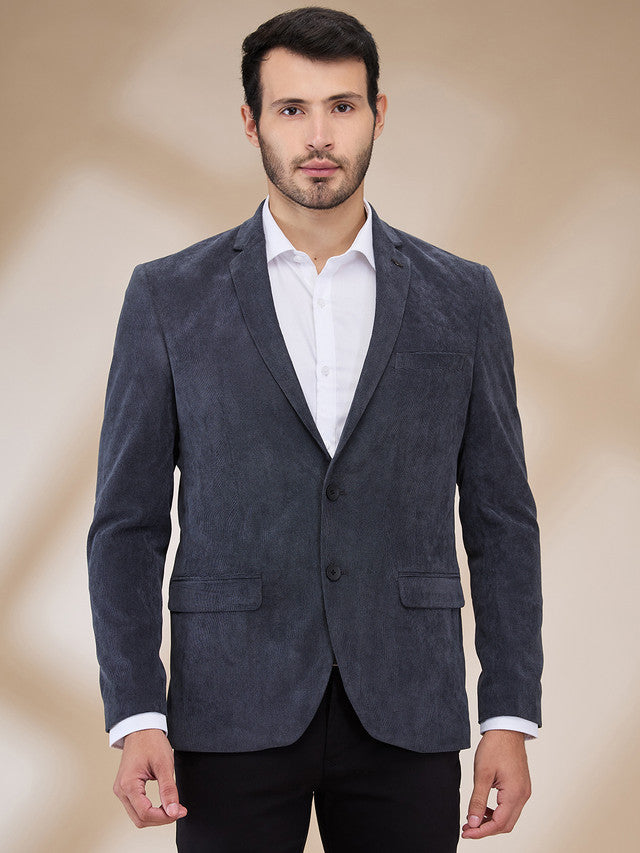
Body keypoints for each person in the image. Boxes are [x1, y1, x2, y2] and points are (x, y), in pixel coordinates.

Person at [87, 7, 543, 852]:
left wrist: (509, 714)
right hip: (229, 707)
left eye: (342, 106)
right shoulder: (168, 296)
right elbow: (126, 524)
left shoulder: (463, 297)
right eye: (292, 108)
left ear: (378, 113)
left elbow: (502, 520)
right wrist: (137, 711)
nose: (319, 135)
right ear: (251, 121)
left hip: (407, 705)